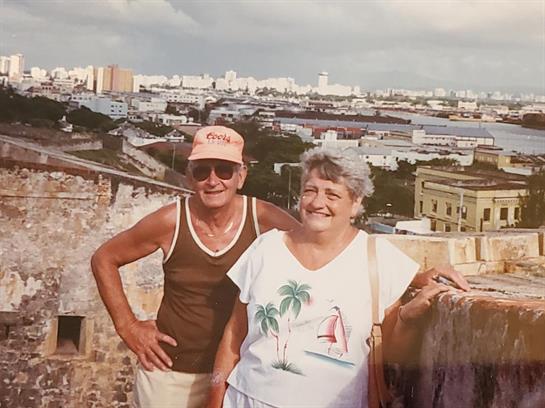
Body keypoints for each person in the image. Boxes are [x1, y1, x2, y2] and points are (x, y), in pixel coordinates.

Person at [207, 147, 468, 408]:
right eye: (310, 191)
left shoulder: (380, 259)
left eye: (332, 194)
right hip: (246, 400)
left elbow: (391, 352)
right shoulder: (265, 249)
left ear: (355, 203)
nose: (317, 203)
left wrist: (407, 318)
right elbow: (234, 334)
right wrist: (214, 402)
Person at [90, 125, 300, 408]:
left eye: (224, 170)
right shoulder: (170, 222)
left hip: (238, 372)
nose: (213, 181)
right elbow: (105, 258)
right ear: (190, 177)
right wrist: (128, 326)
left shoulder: (263, 219)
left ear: (241, 176)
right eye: (203, 171)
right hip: (171, 373)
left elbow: (314, 256)